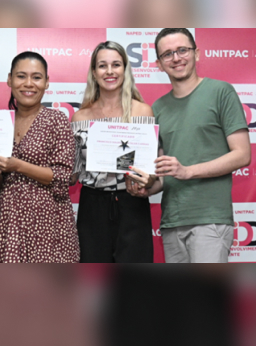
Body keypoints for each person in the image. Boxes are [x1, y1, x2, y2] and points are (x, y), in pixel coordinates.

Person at [129, 28, 251, 263]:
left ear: (197, 53)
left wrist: (188, 171)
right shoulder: (157, 108)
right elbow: (163, 174)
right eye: (167, 54)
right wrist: (147, 189)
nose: (176, 58)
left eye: (182, 50)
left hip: (210, 220)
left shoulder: (221, 92)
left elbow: (242, 154)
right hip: (172, 222)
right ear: (159, 64)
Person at [0, 51, 79, 263]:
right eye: (21, 76)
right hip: (12, 225)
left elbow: (62, 177)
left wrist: (17, 165)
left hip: (51, 226)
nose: (28, 84)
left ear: (46, 82)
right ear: (9, 79)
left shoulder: (57, 121)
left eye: (36, 77)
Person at [71, 41, 156, 263]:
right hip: (92, 206)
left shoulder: (142, 111)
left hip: (132, 203)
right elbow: (72, 174)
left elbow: (151, 169)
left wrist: (146, 180)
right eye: (102, 65)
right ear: (94, 72)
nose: (109, 71)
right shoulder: (80, 117)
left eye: (116, 64)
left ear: (125, 69)